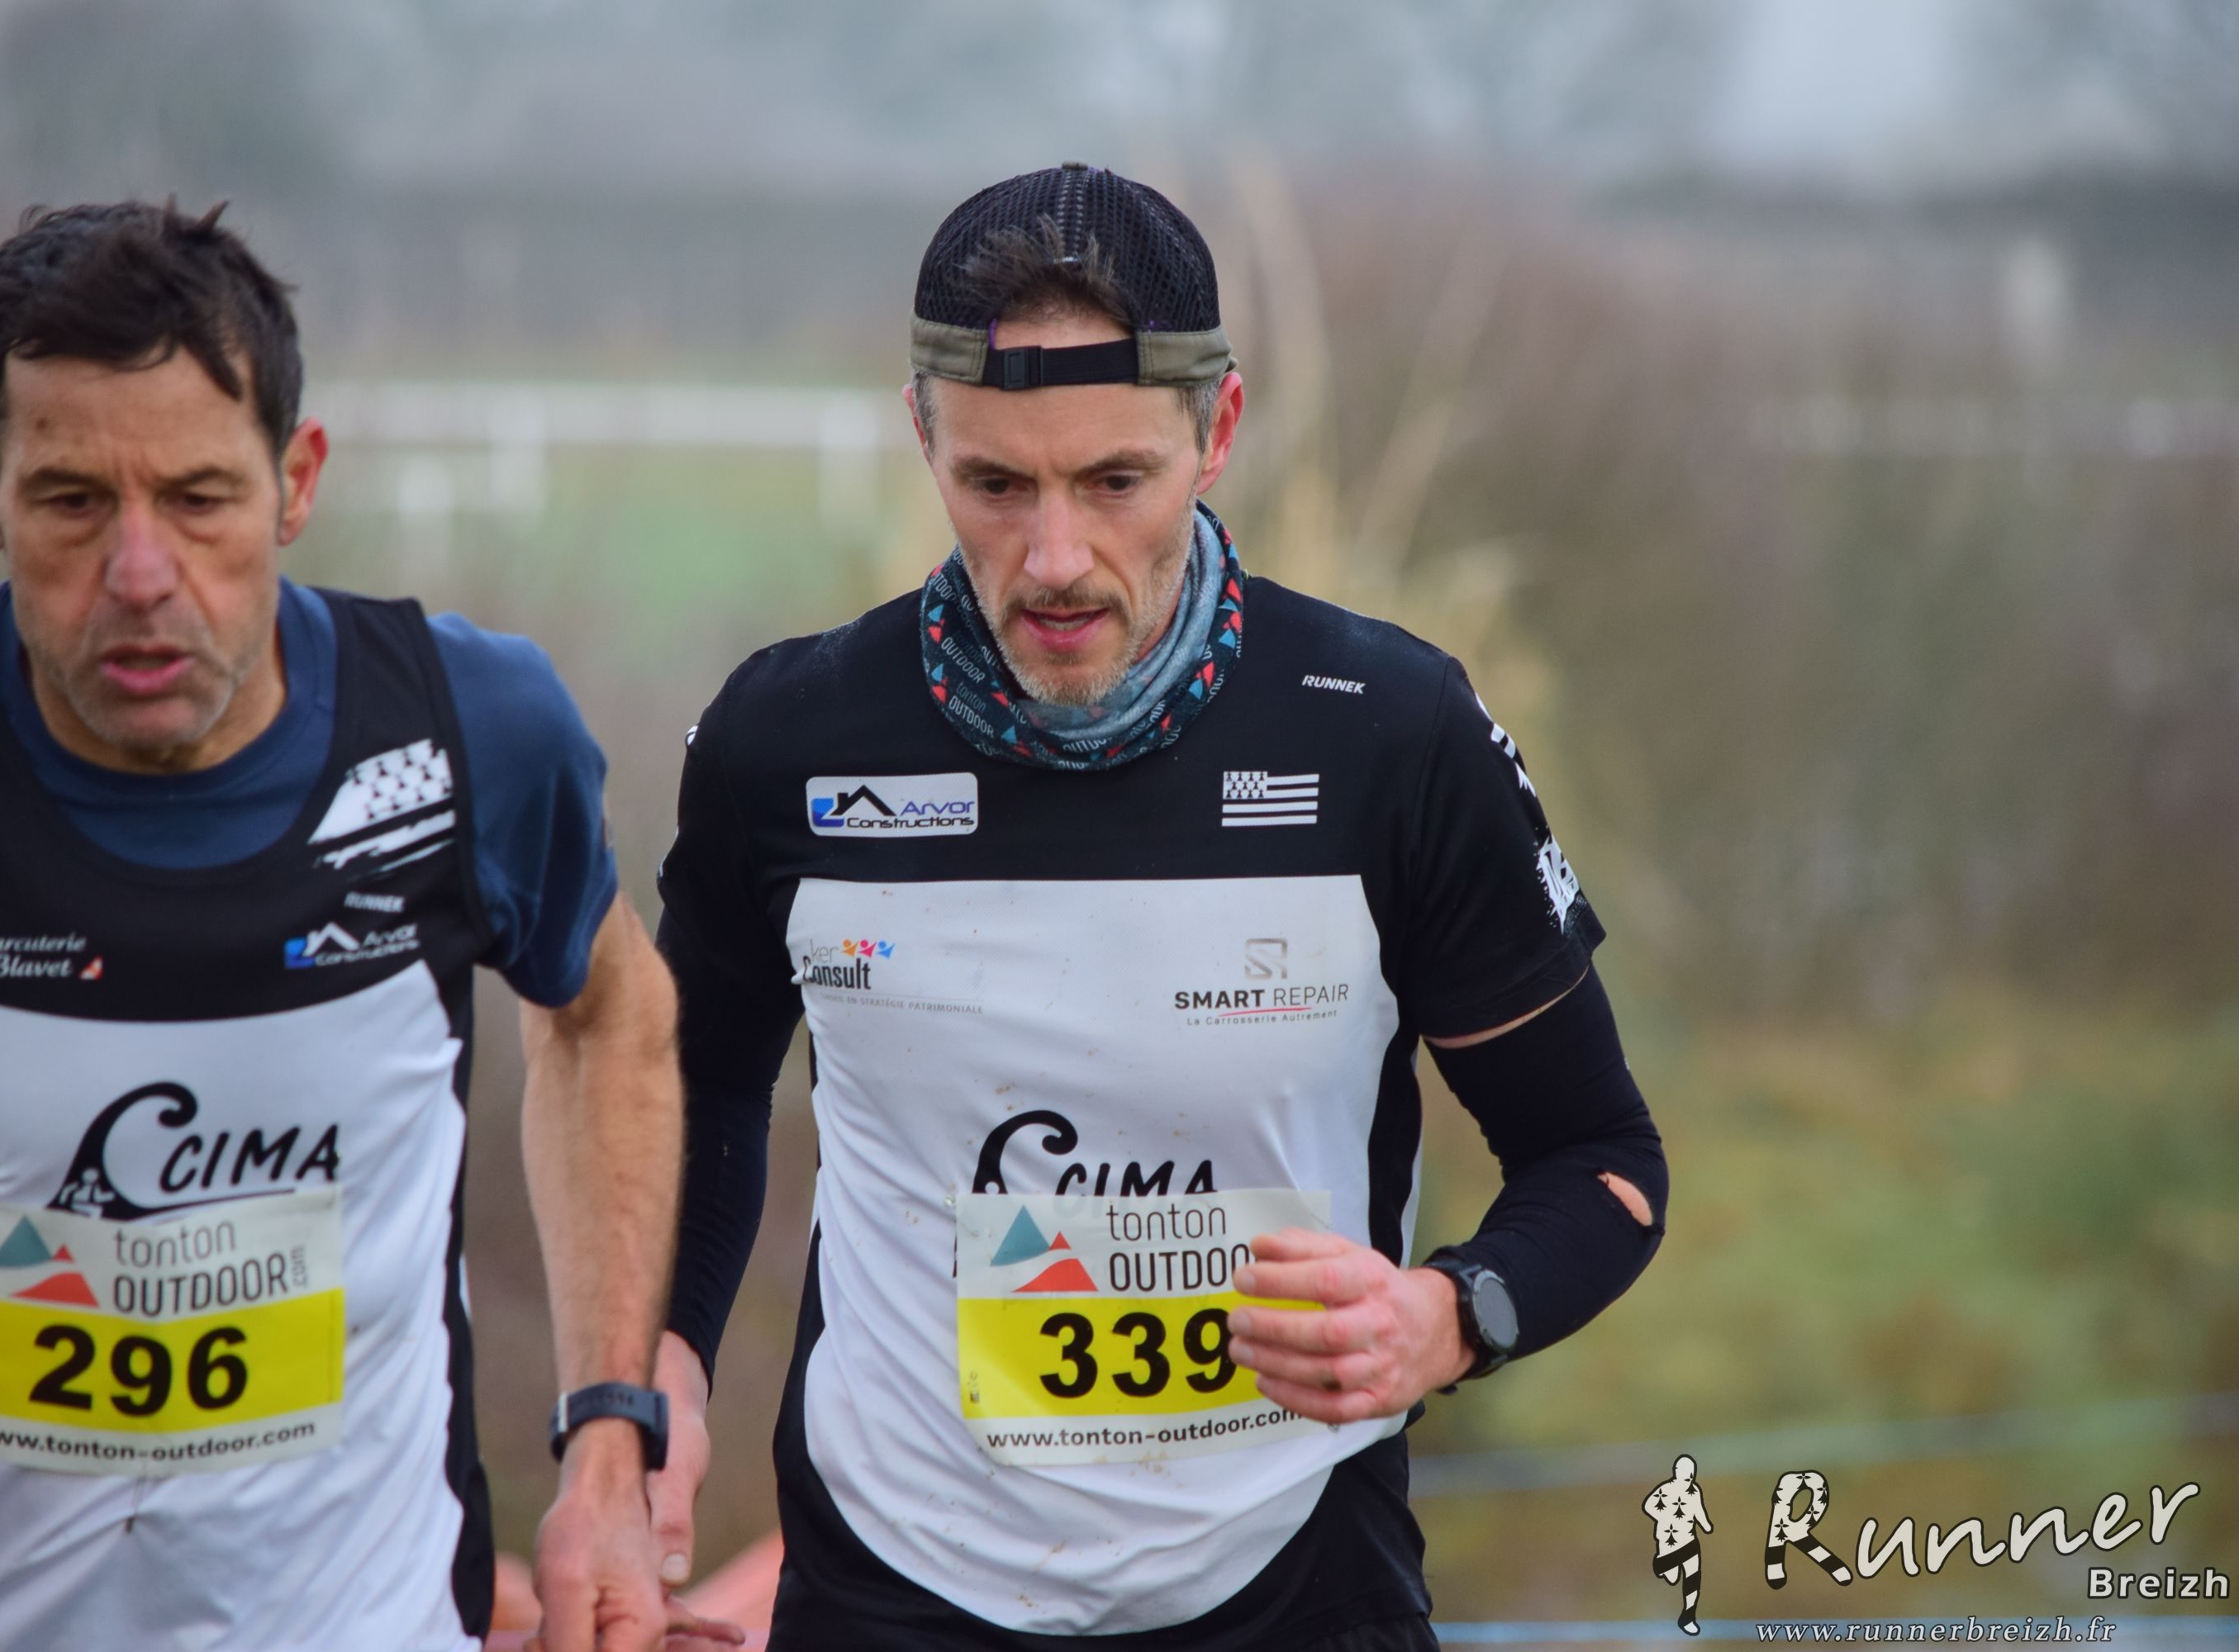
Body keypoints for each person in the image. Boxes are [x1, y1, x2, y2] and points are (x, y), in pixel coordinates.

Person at [649, 163, 1671, 1650]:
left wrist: (1445, 1320)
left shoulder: (1389, 736)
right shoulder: (784, 744)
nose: (1055, 560)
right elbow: (693, 1096)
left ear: (1219, 430)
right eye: (996, 486)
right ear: (924, 434)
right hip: (894, 1585)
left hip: (1292, 1587)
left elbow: (1600, 1159)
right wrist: (662, 1373)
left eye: (1115, 483)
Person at [0, 201, 696, 1652]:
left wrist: (607, 1447)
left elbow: (608, 1016)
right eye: (72, 501)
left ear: (297, 480)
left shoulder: (470, 732)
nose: (141, 575)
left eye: (200, 498)